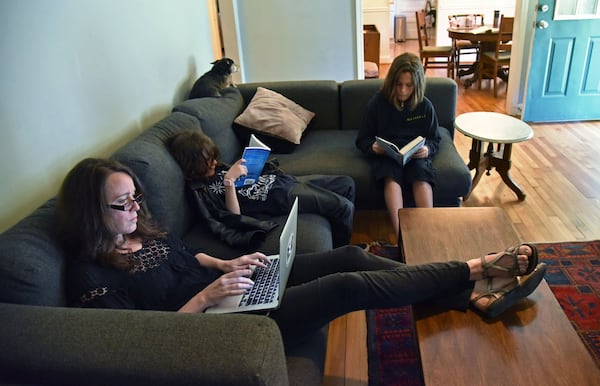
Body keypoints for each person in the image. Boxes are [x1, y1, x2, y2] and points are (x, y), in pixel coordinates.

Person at [57, 158, 547, 350]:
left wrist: (228, 265)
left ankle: (470, 295)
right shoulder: (89, 276)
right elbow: (139, 344)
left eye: (136, 197)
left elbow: (190, 256)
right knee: (349, 286)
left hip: (233, 290)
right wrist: (207, 298)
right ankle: (479, 269)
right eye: (123, 203)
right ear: (89, 211)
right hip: (215, 327)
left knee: (350, 257)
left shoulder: (143, 230)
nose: (135, 208)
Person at [166, 130, 355, 248]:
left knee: (347, 182)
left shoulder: (217, 168)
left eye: (214, 157)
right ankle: (342, 253)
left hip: (283, 181)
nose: (215, 162)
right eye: (208, 161)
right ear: (192, 165)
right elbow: (233, 217)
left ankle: (343, 239)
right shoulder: (202, 191)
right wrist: (229, 182)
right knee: (342, 206)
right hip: (280, 197)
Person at [356, 52, 441, 236]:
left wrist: (427, 149)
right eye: (398, 84)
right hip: (387, 153)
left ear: (416, 85)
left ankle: (429, 232)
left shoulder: (425, 106)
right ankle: (401, 236)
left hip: (415, 153)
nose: (402, 90)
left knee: (421, 174)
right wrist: (373, 147)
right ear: (391, 82)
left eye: (408, 86)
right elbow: (362, 139)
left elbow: (435, 138)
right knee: (390, 176)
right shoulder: (378, 103)